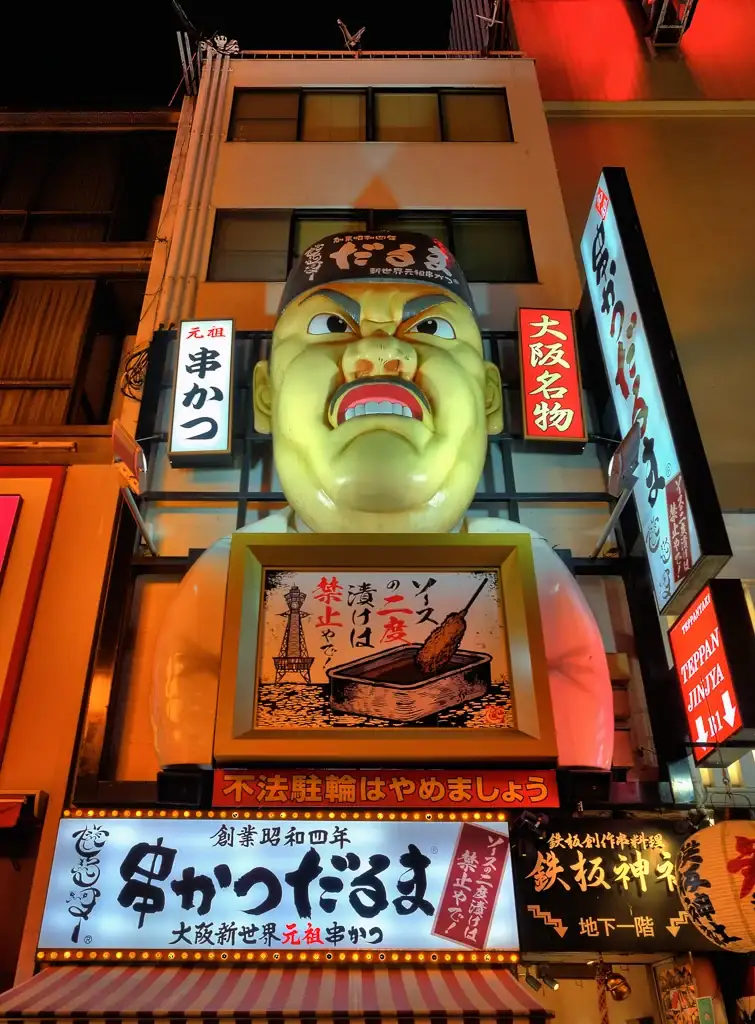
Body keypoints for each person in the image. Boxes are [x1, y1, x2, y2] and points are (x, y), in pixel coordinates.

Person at [152, 232, 613, 770]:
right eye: (330, 327)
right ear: (266, 396)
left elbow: (574, 680)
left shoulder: (523, 560)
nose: (378, 354)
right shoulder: (233, 565)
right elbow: (190, 690)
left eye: (430, 329)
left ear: (489, 399)